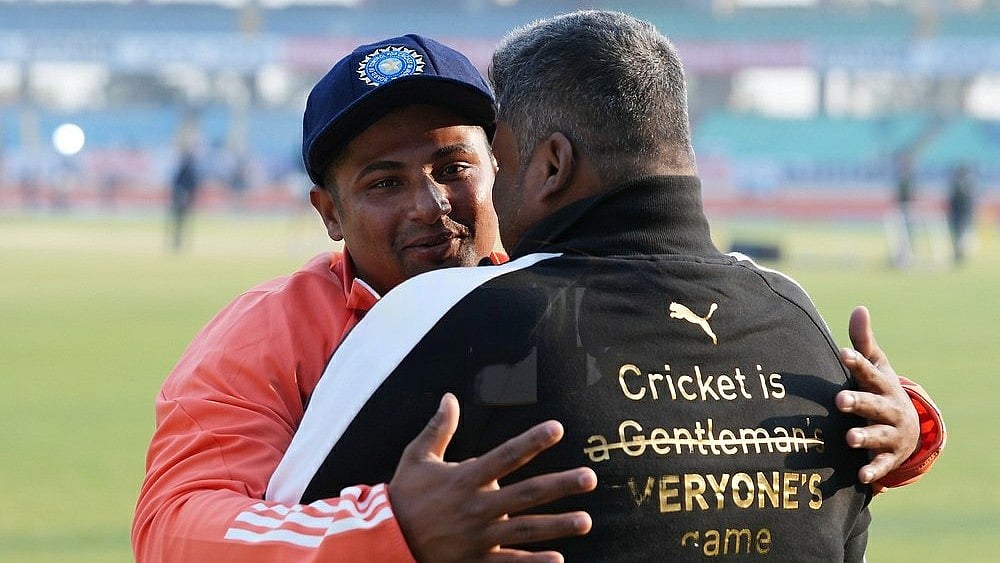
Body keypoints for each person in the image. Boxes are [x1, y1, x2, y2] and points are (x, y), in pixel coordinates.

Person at [134, 31, 943, 562]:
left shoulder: (565, 281)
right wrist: (392, 526)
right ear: (329, 211)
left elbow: (702, 403)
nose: (429, 204)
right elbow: (174, 529)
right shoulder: (267, 331)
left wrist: (900, 421)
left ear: (510, 166)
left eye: (454, 166)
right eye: (384, 182)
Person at [167, 148, 201, 251]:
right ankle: (180, 242)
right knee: (182, 223)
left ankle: (179, 242)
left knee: (180, 223)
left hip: (181, 199)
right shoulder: (189, 170)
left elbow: (176, 184)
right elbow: (193, 185)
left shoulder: (184, 169)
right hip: (183, 200)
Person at [946, 162, 976, 264]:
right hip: (959, 215)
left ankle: (960, 254)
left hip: (960, 215)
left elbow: (962, 202)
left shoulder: (962, 185)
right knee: (960, 236)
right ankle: (959, 254)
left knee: (961, 235)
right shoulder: (964, 185)